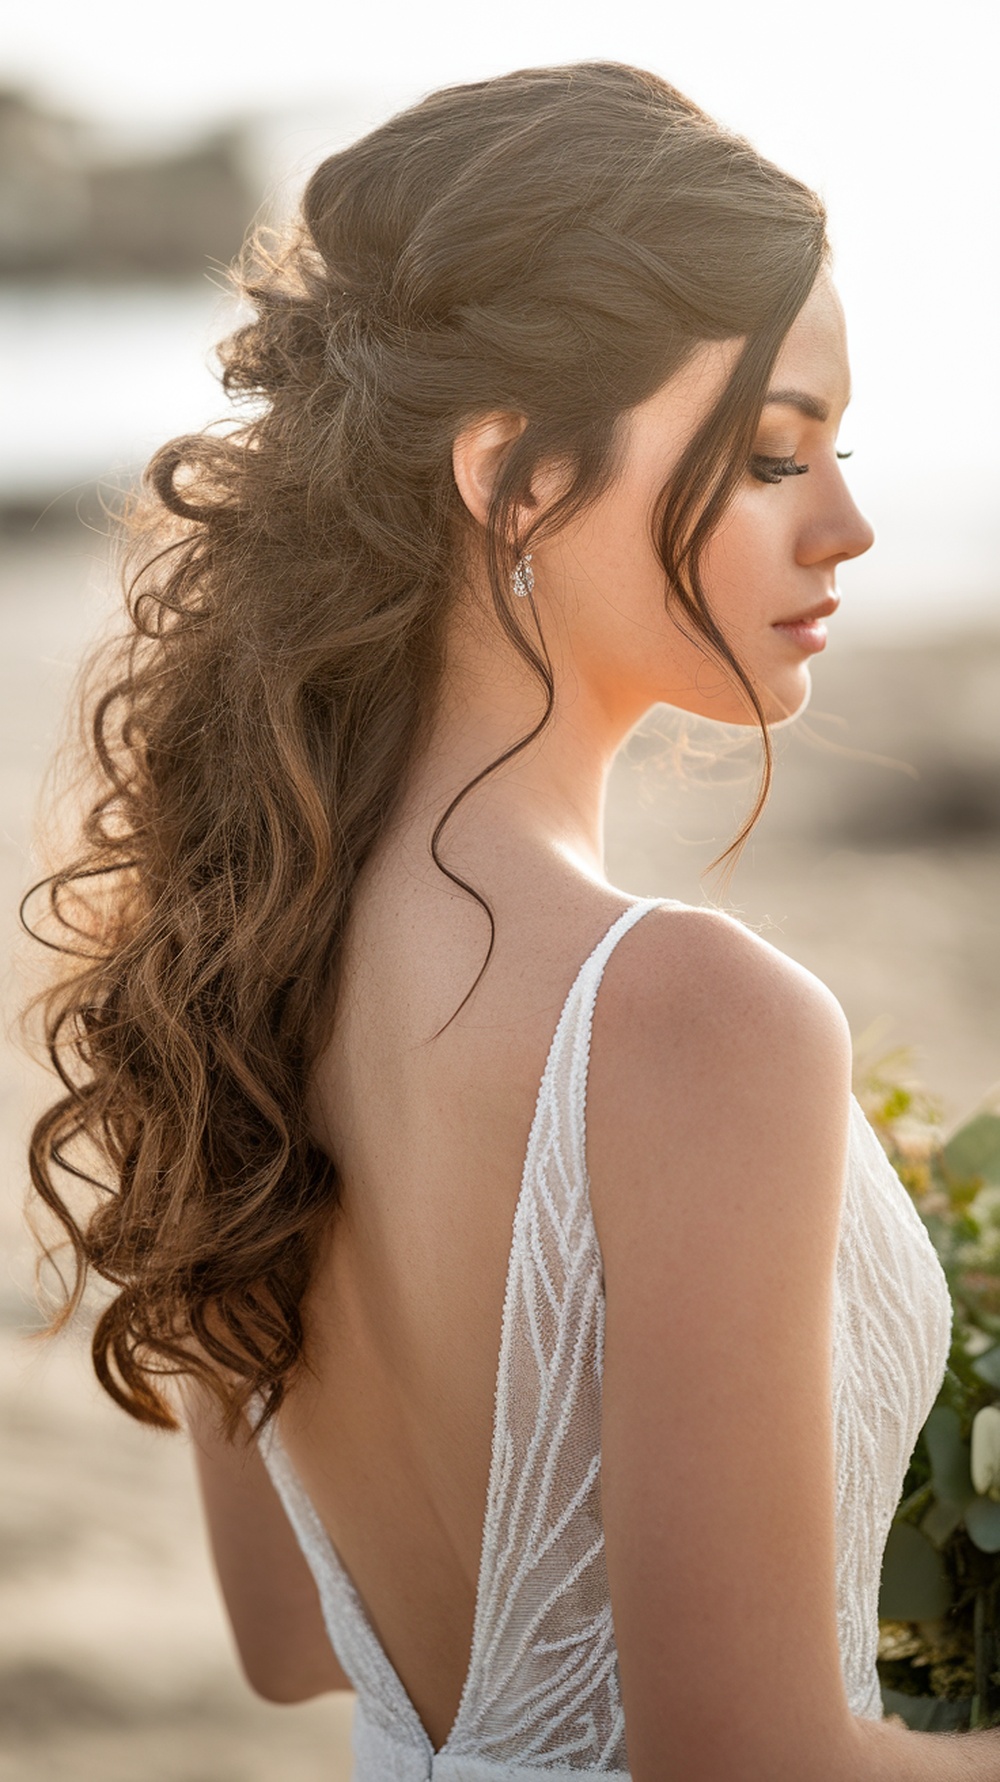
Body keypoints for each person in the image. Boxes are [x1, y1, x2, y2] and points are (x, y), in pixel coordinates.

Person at [24, 61, 998, 1781]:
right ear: (517, 477)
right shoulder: (696, 1015)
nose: (847, 525)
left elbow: (286, 1633)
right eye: (774, 454)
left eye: (838, 452)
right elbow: (753, 1758)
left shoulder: (229, 962)